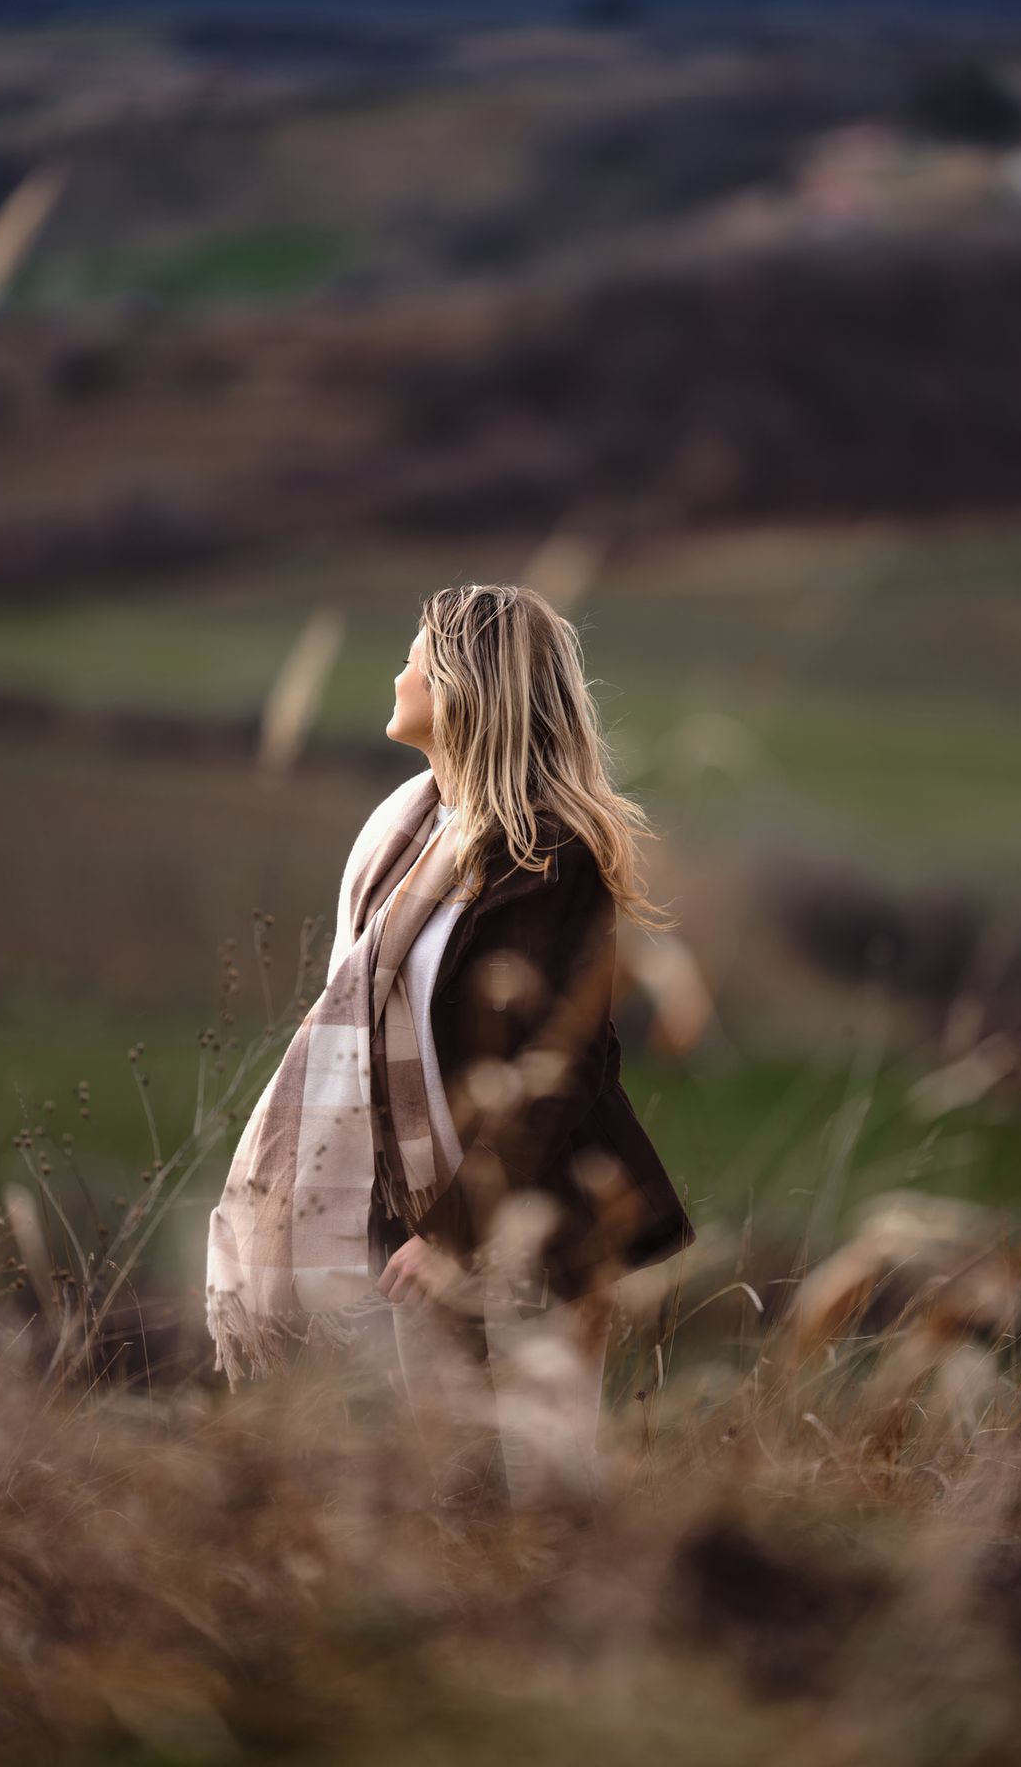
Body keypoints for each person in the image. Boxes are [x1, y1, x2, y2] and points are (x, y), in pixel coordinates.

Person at [206, 583, 696, 1518]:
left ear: (464, 688)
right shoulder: (406, 838)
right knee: (443, 1498)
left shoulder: (549, 853)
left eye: (415, 659)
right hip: (411, 1215)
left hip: (522, 1224)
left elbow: (562, 1068)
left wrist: (457, 1237)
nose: (398, 676)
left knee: (533, 1499)